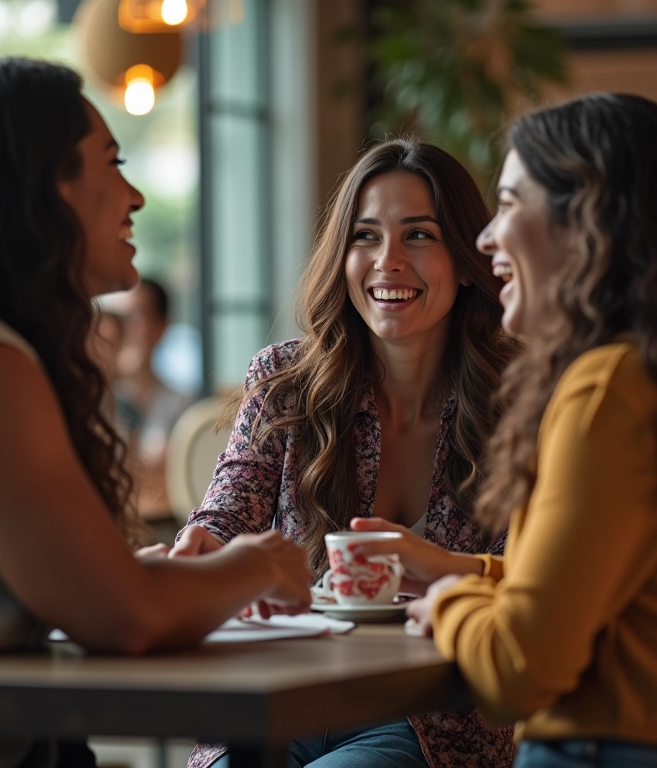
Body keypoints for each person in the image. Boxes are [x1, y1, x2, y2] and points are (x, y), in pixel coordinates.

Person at [0, 55, 311, 767]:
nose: (133, 196)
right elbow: (126, 619)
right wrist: (261, 564)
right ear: (43, 185)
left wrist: (135, 572)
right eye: (112, 161)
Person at [357, 93, 657, 768]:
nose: (484, 239)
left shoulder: (609, 389)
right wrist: (468, 575)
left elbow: (517, 669)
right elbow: (590, 583)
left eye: (509, 204)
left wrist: (451, 601)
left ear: (586, 218)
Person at [175, 138, 520, 768]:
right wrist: (202, 546)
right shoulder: (287, 381)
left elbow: (532, 580)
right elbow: (227, 511)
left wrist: (440, 565)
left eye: (419, 235)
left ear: (468, 258)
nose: (388, 261)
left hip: (429, 720)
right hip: (283, 694)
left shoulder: (520, 400)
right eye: (366, 236)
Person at [112, 277, 195, 528]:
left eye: (135, 317)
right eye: (118, 317)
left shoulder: (184, 405)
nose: (124, 329)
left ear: (162, 327)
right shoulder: (95, 401)